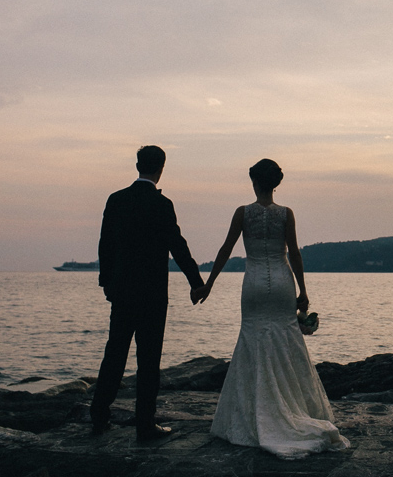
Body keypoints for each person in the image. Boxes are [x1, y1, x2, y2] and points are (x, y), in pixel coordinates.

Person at [193, 158, 350, 459]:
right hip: (281, 282)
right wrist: (303, 291)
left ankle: (255, 414)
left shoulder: (242, 213)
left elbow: (225, 249)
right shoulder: (286, 214)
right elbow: (294, 253)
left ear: (254, 182)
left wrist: (209, 284)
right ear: (275, 184)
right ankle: (293, 408)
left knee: (253, 338)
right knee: (286, 340)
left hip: (253, 283)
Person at [90, 145, 206, 441]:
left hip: (122, 292)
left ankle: (98, 416)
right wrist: (195, 281)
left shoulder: (116, 200)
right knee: (148, 361)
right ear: (161, 168)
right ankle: (145, 424)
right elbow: (177, 245)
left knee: (114, 354)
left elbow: (106, 245)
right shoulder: (162, 204)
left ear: (137, 165)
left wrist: (107, 283)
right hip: (153, 295)